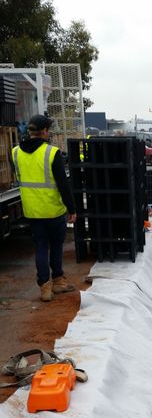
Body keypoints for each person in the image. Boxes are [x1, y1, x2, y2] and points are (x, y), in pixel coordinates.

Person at [11, 114, 77, 302]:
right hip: (53, 210)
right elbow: (63, 185)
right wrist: (72, 209)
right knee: (56, 246)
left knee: (40, 247)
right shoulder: (52, 153)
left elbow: (19, 176)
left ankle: (45, 288)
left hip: (32, 210)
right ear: (45, 132)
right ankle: (58, 281)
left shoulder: (15, 152)